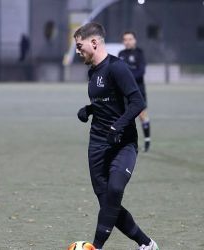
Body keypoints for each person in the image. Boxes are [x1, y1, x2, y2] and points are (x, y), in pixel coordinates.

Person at [74, 22, 158, 250]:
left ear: (94, 42)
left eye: (79, 46)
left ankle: (96, 247)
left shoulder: (117, 67)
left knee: (115, 191)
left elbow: (137, 102)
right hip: (98, 145)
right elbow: (104, 103)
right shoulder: (92, 71)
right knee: (107, 202)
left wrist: (117, 127)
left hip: (123, 144)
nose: (77, 51)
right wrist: (89, 110)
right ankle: (146, 244)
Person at [118, 31, 151, 152]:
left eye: (130, 39)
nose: (128, 41)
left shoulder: (139, 53)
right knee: (125, 116)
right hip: (124, 91)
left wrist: (127, 78)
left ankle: (147, 140)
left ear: (135, 40)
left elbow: (141, 71)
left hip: (138, 90)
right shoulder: (121, 54)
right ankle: (126, 142)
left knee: (142, 115)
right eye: (125, 39)